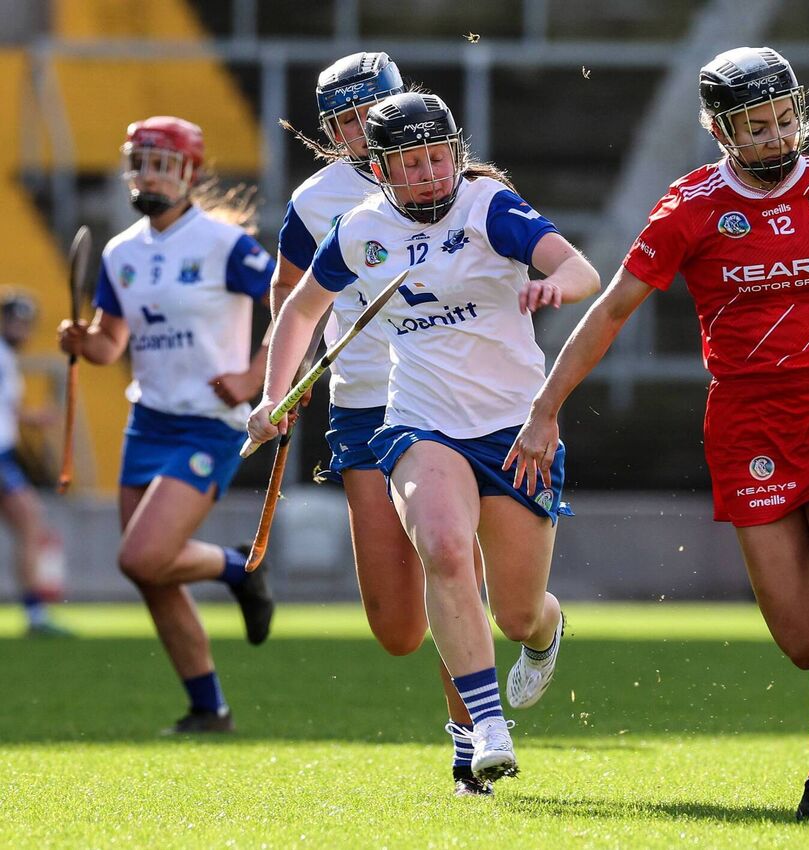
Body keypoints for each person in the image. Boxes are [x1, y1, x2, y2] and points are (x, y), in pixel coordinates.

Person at [504, 46, 809, 824]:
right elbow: (612, 310)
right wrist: (546, 409)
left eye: (786, 120)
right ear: (721, 131)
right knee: (806, 641)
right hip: (748, 421)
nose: (779, 137)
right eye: (758, 127)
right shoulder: (690, 209)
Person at [249, 91, 600, 784]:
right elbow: (299, 310)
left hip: (512, 427)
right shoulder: (359, 229)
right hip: (419, 422)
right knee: (443, 548)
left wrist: (553, 286)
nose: (430, 174)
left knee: (518, 612)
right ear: (380, 168)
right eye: (410, 163)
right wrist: (272, 394)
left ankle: (545, 632)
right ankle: (482, 728)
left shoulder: (488, 207)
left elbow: (582, 268)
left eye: (439, 157)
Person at [274, 52, 490, 798]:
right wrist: (285, 379)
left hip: (446, 401)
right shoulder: (315, 201)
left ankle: (473, 740)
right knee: (397, 628)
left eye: (372, 114)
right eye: (346, 123)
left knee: (449, 557)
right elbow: (289, 297)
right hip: (363, 403)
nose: (364, 134)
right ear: (331, 132)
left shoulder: (456, 181)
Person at [57, 116, 277, 734]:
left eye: (162, 164)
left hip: (209, 423)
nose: (148, 175)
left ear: (191, 173)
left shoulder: (225, 246)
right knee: (152, 575)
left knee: (144, 556)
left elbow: (293, 308)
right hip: (147, 423)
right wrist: (83, 340)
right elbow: (109, 344)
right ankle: (209, 709)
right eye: (140, 162)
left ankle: (240, 569)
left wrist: (256, 376)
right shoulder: (120, 251)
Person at [0, 292, 72, 637]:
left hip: (5, 455)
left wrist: (31, 418)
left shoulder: (7, 358)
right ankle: (35, 614)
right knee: (29, 520)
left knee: (28, 521)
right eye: (14, 320)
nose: (21, 329)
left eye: (25, 323)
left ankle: (34, 612)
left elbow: (8, 409)